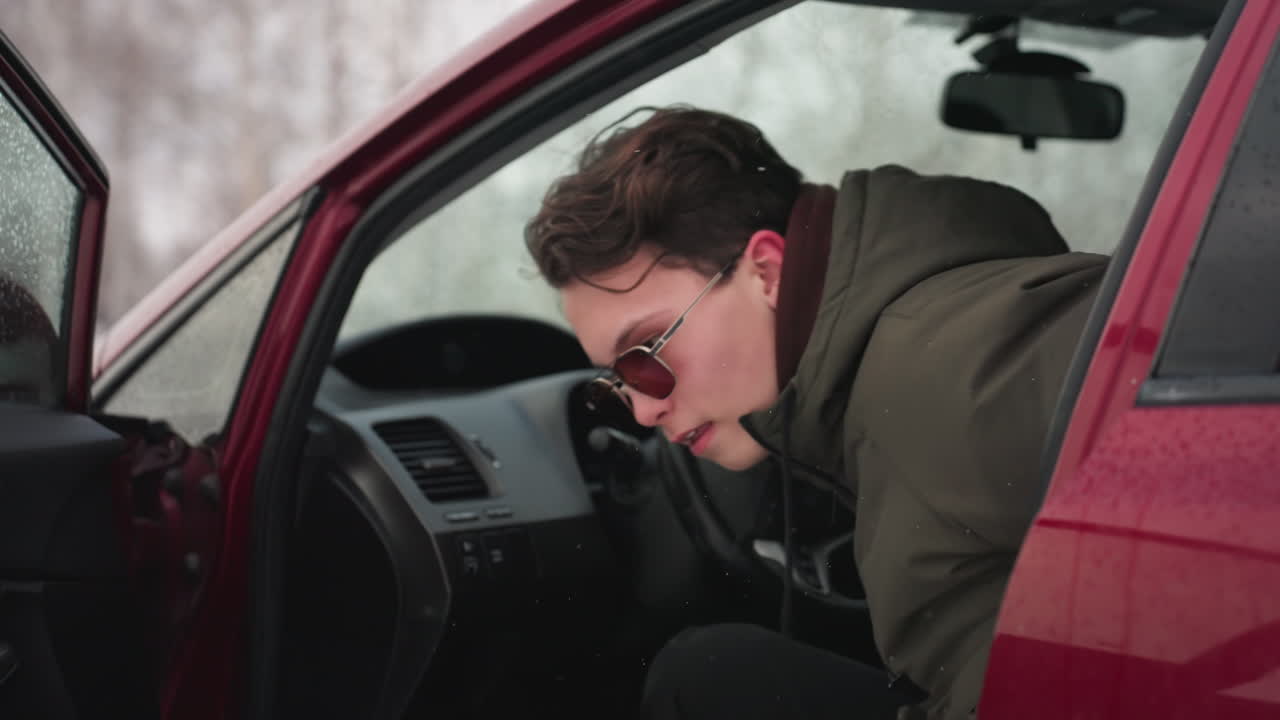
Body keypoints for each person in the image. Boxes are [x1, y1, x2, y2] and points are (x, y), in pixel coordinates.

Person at [524, 106, 1106, 720]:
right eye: (618, 384)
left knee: (699, 680)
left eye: (646, 354)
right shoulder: (907, 358)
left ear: (767, 273)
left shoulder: (963, 366)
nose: (643, 411)